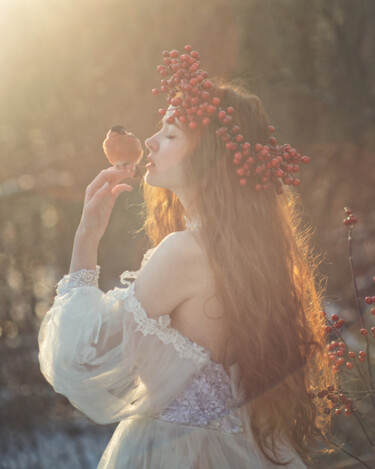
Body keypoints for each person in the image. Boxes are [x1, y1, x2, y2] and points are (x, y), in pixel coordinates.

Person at [38, 46, 333, 468]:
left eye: (171, 135)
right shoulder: (246, 251)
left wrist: (86, 236)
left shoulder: (185, 252)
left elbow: (81, 358)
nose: (151, 141)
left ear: (209, 160)